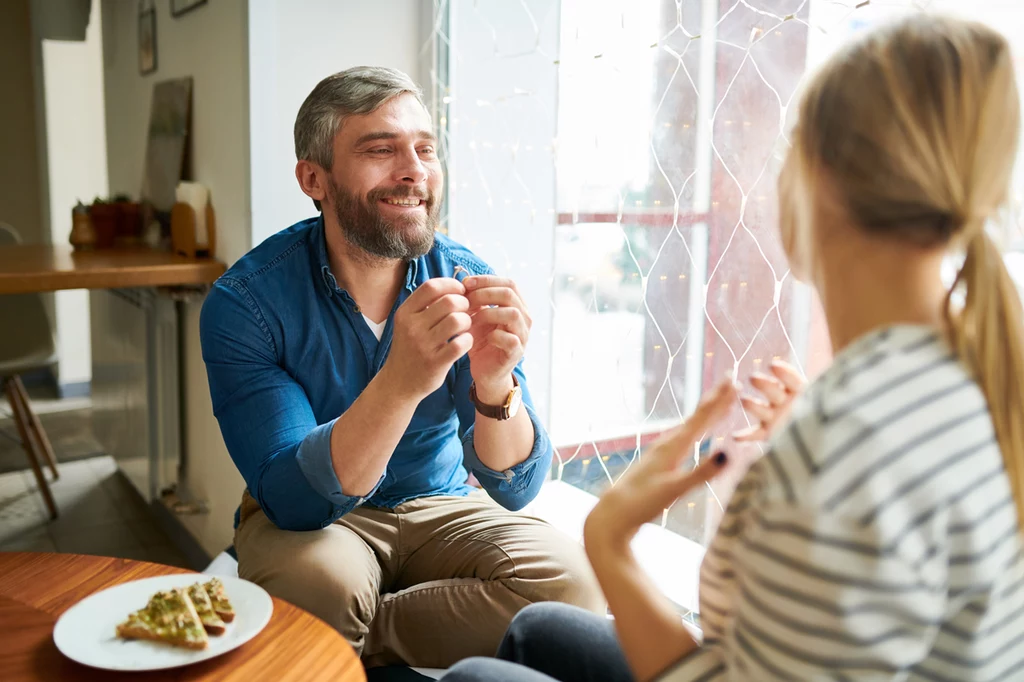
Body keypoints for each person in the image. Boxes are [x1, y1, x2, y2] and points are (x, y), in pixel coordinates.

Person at [444, 14, 1024, 681]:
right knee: (539, 629)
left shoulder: (845, 443)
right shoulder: (970, 370)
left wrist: (610, 543)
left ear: (822, 181)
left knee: (473, 677)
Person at [199, 66, 603, 669]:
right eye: (381, 149)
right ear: (314, 178)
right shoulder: (247, 304)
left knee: (571, 588)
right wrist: (401, 382)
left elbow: (516, 486)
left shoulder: (463, 275)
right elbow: (293, 500)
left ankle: (349, 640)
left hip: (440, 504)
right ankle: (329, 621)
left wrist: (495, 384)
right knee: (321, 587)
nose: (413, 170)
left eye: (425, 149)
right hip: (318, 525)